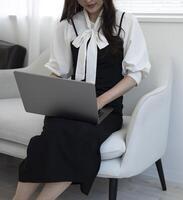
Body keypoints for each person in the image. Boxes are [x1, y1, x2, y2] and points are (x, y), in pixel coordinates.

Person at [13, 0, 151, 199]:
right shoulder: (67, 26)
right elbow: (60, 71)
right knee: (51, 134)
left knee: (80, 136)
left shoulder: (125, 22)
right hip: (70, 104)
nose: (89, 0)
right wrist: (45, 93)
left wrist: (100, 101)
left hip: (108, 108)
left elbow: (136, 73)